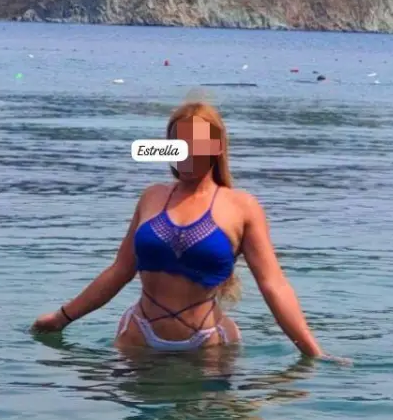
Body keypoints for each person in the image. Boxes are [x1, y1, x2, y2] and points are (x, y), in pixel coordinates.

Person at [32, 101, 350, 363]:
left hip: (209, 346)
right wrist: (61, 318)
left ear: (216, 146)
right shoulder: (152, 197)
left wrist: (313, 352)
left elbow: (273, 284)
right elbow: (119, 271)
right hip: (138, 337)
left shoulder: (242, 207)